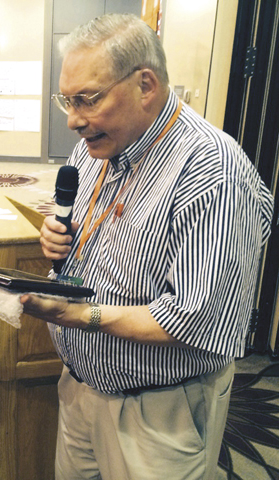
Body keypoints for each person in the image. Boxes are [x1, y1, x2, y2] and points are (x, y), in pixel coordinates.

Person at [21, 13, 274, 480]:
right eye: (67, 101)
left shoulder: (211, 170)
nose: (74, 120)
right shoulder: (96, 146)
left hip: (157, 410)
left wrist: (83, 317)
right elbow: (94, 240)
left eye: (87, 100)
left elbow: (195, 317)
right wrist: (58, 240)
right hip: (80, 387)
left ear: (145, 85)